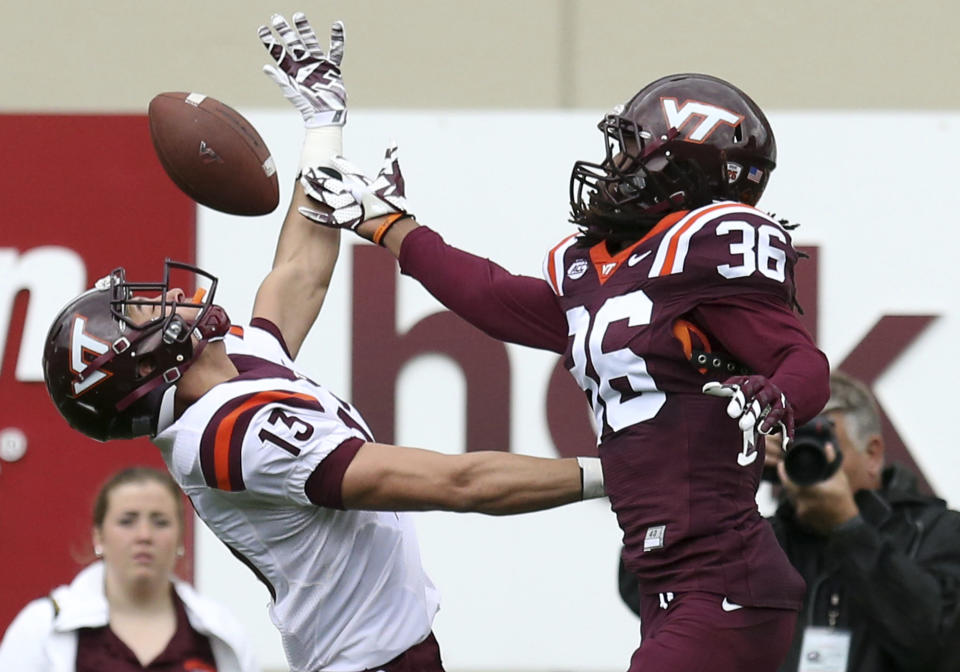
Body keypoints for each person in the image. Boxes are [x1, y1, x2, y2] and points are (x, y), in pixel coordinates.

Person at [39, 13, 605, 672]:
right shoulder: (234, 437)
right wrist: (612, 476)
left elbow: (298, 273)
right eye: (141, 310)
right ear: (143, 363)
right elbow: (459, 482)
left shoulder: (229, 371)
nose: (163, 295)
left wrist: (322, 125)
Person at [296, 71, 832, 670]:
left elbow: (801, 361)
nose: (618, 164)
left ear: (686, 171)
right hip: (671, 583)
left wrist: (776, 396)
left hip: (726, 583)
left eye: (635, 150)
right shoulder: (612, 274)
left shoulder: (709, 250)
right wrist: (394, 229)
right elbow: (496, 298)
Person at [765, 371, 960, 672]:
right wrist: (739, 474)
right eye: (798, 445)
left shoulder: (938, 532)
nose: (810, 457)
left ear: (872, 454)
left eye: (824, 443)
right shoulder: (765, 541)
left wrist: (849, 528)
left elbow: (939, 645)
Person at [0, 467, 259, 671]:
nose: (144, 535)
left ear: (181, 537)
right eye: (127, 521)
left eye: (160, 522)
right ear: (98, 537)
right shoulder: (43, 626)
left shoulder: (220, 630)